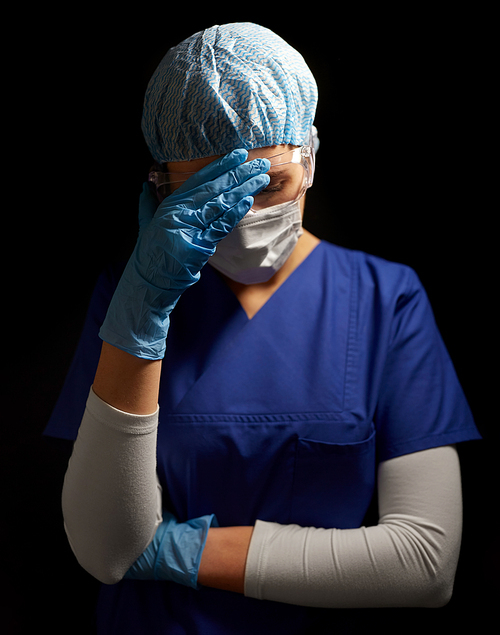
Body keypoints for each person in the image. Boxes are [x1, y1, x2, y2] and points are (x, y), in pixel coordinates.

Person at [45, 23, 481, 634]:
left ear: (310, 158)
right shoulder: (129, 298)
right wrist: (141, 313)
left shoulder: (386, 300)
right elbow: (104, 547)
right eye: (202, 192)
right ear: (160, 183)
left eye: (268, 184)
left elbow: (423, 562)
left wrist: (176, 552)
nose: (242, 217)